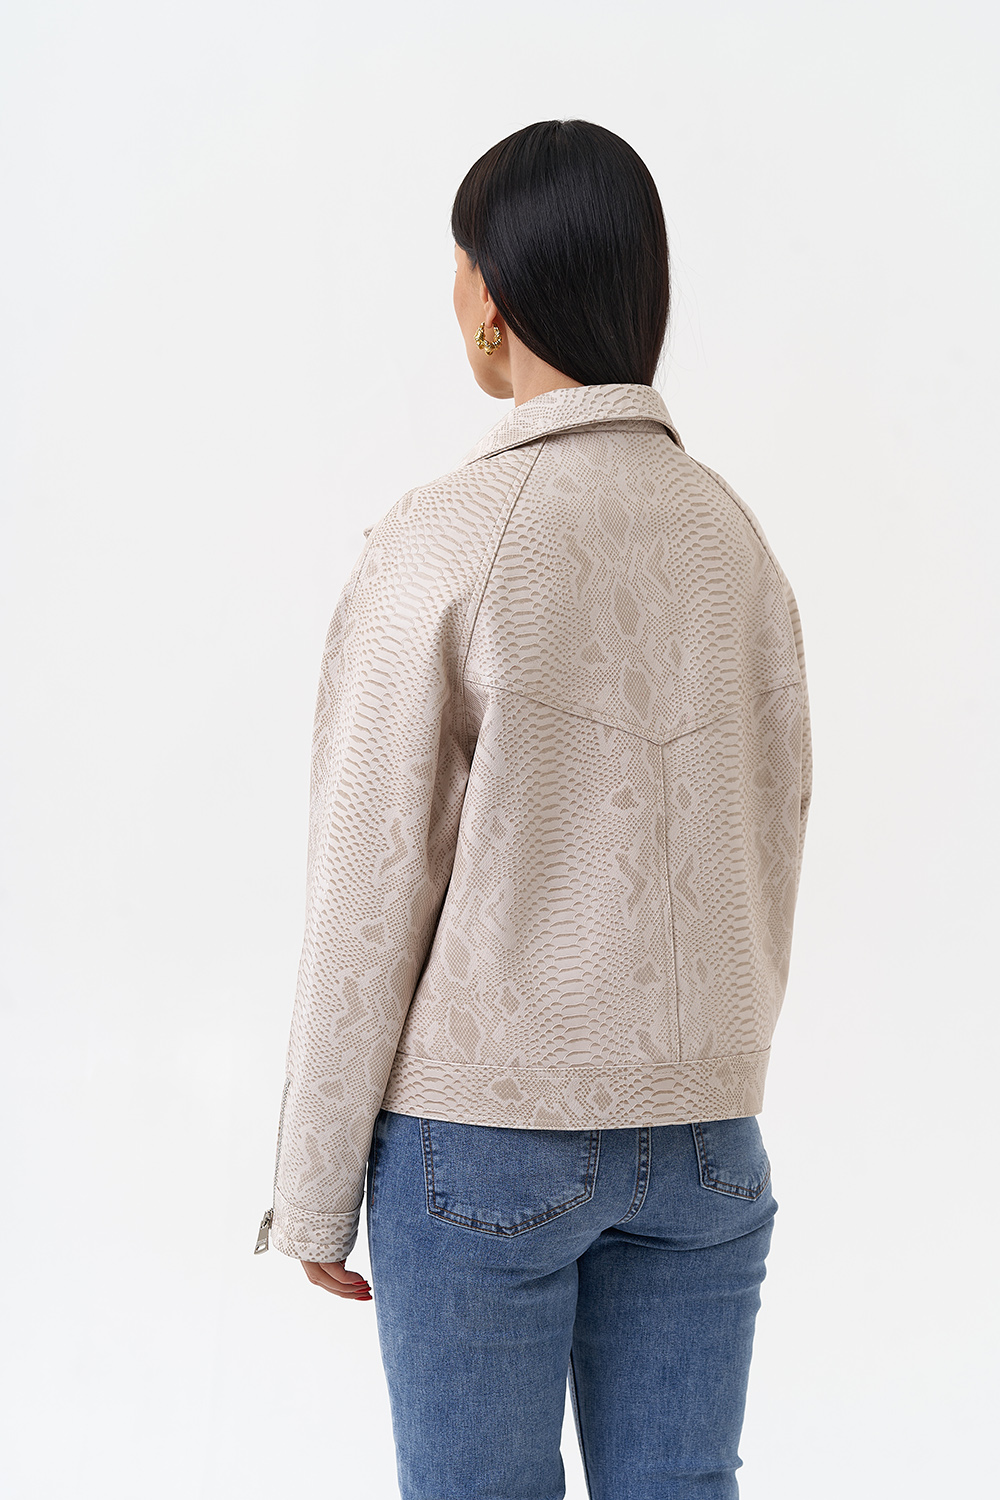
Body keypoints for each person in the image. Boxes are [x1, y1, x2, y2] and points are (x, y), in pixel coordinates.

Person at [255, 118, 812, 1500]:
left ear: (491, 297)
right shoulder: (734, 537)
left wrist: (315, 1185)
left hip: (482, 1143)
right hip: (708, 1137)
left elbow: (369, 873)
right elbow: (775, 819)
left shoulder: (448, 537)